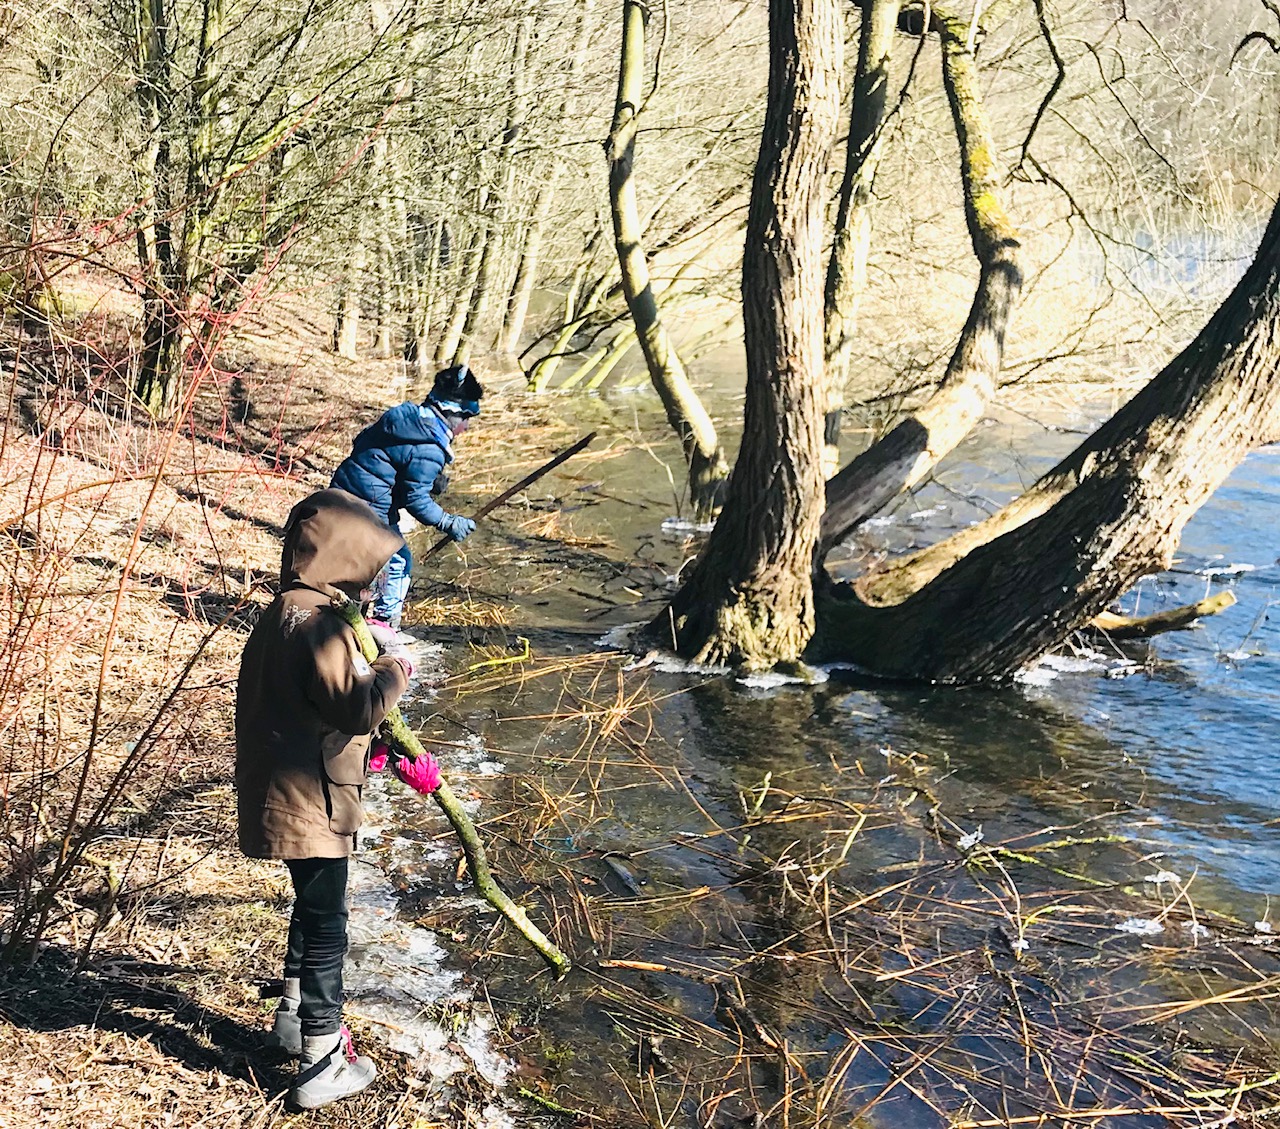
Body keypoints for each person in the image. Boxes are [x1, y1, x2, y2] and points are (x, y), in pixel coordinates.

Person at [235, 488, 443, 1111]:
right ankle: (321, 1060)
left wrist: (387, 755)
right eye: (369, 569)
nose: (373, 584)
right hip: (310, 800)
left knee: (310, 908)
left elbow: (312, 709)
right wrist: (398, 668)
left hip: (285, 788)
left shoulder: (284, 611)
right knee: (327, 924)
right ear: (346, 560)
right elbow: (354, 705)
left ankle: (293, 1020)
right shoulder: (321, 623)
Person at [330, 363, 484, 634]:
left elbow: (366, 442)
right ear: (452, 413)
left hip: (343, 491)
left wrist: (425, 478)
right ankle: (383, 624)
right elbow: (416, 501)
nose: (467, 427)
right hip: (369, 507)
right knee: (397, 560)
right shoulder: (431, 448)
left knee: (374, 563)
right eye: (467, 417)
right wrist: (449, 522)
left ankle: (361, 610)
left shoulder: (408, 418)